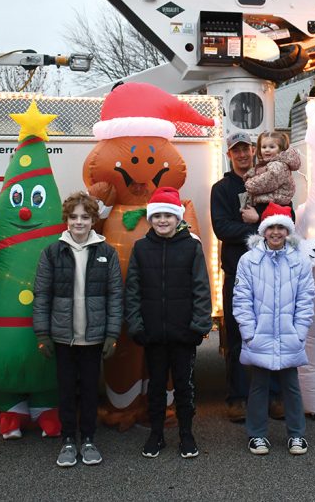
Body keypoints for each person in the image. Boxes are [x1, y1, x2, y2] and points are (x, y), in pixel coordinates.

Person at [33, 191, 123, 467]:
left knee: (89, 391)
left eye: (85, 217)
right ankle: (68, 440)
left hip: (94, 339)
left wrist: (111, 334)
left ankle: (88, 439)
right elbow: (41, 295)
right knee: (66, 390)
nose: (79, 222)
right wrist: (43, 334)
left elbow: (115, 296)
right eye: (74, 217)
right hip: (63, 339)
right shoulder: (52, 252)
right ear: (67, 220)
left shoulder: (106, 252)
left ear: (94, 219)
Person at [124, 187, 213, 459]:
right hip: (153, 333)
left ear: (178, 218)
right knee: (156, 386)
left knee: (184, 387)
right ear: (150, 218)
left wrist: (199, 325)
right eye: (157, 215)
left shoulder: (191, 246)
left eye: (168, 215)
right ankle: (157, 434)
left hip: (183, 333)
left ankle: (186, 433)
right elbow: (133, 290)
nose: (163, 220)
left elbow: (201, 288)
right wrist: (136, 325)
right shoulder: (141, 248)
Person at [233, 203, 315, 456]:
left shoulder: (299, 261)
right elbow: (241, 299)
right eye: (271, 227)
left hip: (289, 334)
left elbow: (306, 298)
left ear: (288, 231)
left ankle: (297, 434)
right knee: (259, 385)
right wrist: (249, 332)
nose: (276, 233)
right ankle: (257, 434)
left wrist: (300, 331)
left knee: (291, 385)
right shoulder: (249, 261)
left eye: (281, 227)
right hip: (260, 334)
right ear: (263, 231)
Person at [210, 132, 264, 422]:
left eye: (246, 149)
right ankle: (237, 398)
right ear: (229, 155)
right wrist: (260, 232)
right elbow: (222, 229)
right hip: (236, 273)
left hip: (269, 273)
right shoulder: (220, 189)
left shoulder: (268, 183)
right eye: (236, 150)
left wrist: (261, 223)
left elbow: (285, 220)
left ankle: (275, 394)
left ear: (254, 151)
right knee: (236, 335)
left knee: (270, 333)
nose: (242, 154)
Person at [243, 130, 301, 218]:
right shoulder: (269, 164)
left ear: (280, 149)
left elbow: (262, 183)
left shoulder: (278, 166)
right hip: (271, 204)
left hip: (276, 206)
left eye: (272, 147)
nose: (267, 150)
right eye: (264, 147)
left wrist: (248, 183)